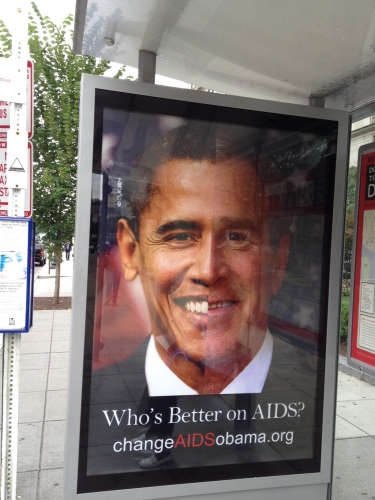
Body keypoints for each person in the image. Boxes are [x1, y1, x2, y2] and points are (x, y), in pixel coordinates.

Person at [116, 123, 291, 397]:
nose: (208, 271)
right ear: (130, 253)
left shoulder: (313, 386)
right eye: (179, 236)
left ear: (278, 263)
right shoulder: (99, 399)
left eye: (236, 237)